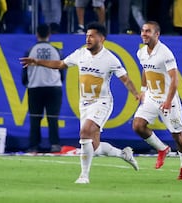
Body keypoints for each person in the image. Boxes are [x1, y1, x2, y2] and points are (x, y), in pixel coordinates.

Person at [20, 22, 140, 184]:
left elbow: (125, 79)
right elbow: (60, 64)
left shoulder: (110, 59)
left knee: (85, 133)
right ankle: (123, 154)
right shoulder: (80, 54)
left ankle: (84, 176)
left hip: (102, 103)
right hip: (85, 105)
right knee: (95, 147)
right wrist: (37, 61)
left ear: (101, 38)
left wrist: (136, 94)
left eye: (92, 35)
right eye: (87, 35)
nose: (88, 39)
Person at [132, 21, 182, 180]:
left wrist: (168, 101)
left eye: (148, 31)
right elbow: (145, 69)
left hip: (167, 100)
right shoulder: (141, 52)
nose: (144, 34)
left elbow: (175, 80)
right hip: (151, 96)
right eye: (143, 30)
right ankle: (162, 149)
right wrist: (143, 90)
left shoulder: (165, 53)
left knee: (178, 137)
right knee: (138, 125)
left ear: (157, 34)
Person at [23, 24, 63, 153]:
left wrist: (27, 83)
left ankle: (33, 146)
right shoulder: (56, 50)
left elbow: (24, 72)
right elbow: (62, 71)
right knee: (53, 118)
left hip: (35, 87)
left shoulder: (30, 51)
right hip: (54, 87)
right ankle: (55, 144)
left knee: (35, 118)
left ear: (37, 34)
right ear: (49, 35)